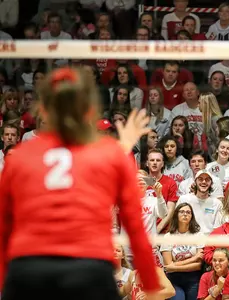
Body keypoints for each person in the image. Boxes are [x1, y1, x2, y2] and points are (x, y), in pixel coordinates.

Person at [0, 67, 162, 299]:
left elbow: (4, 229)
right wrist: (151, 285)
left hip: (29, 270)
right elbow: (135, 228)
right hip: (88, 269)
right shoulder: (109, 154)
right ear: (89, 109)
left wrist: (6, 284)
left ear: (43, 109)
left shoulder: (20, 156)